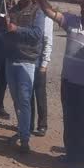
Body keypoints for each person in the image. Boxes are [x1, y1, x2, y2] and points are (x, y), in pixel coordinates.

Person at [37, 0, 84, 168]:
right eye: (82, 6)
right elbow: (51, 12)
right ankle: (70, 154)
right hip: (67, 80)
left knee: (82, 122)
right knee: (68, 118)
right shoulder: (71, 22)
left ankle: (80, 156)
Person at [4, 0, 45, 153]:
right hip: (11, 60)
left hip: (27, 61)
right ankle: (22, 129)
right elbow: (7, 32)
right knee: (16, 100)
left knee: (25, 100)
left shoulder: (37, 12)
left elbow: (37, 35)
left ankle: (25, 139)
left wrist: (16, 29)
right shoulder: (12, 11)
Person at [30, 8, 54, 136]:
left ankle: (42, 125)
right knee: (28, 93)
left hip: (39, 60)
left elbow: (48, 41)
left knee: (39, 93)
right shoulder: (29, 13)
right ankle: (28, 123)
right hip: (28, 57)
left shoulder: (46, 18)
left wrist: (44, 63)